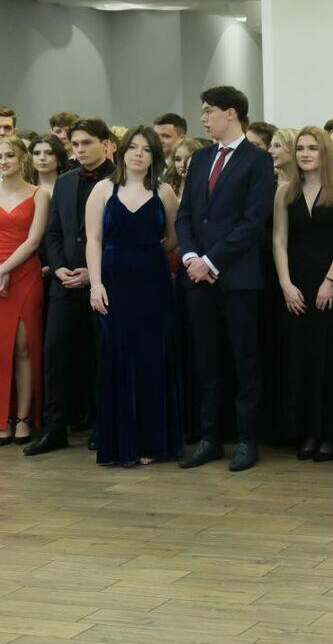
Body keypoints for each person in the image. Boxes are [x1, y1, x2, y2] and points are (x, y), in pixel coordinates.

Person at [175, 86, 277, 472]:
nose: (203, 118)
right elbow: (186, 214)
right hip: (197, 278)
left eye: (209, 111)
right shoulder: (201, 157)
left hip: (237, 278)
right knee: (207, 360)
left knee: (245, 360)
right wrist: (189, 256)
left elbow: (253, 221)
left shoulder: (258, 160)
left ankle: (247, 439)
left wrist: (211, 261)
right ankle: (209, 437)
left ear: (231, 113)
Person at [85, 126, 181, 467]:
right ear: (122, 151)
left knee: (153, 356)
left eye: (146, 149)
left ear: (155, 156)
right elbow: (93, 240)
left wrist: (148, 254)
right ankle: (120, 442)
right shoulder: (102, 189)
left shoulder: (164, 191)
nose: (139, 154)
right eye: (133, 147)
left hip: (154, 283)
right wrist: (96, 284)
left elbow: (174, 238)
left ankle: (151, 442)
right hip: (113, 281)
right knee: (117, 356)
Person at [24, 118, 114, 456]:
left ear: (106, 143)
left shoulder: (119, 180)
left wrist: (95, 273)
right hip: (65, 283)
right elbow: (54, 231)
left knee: (102, 355)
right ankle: (54, 428)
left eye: (87, 143)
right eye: (75, 144)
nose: (80, 150)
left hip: (104, 283)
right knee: (56, 353)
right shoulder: (64, 181)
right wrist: (59, 266)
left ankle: (103, 425)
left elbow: (122, 235)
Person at [273, 127, 333, 462]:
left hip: (331, 281)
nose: (305, 154)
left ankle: (330, 433)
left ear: (324, 152)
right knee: (300, 357)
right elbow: (279, 240)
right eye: (301, 148)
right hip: (296, 284)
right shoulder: (285, 190)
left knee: (327, 356)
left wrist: (331, 279)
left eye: (312, 148)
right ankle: (307, 431)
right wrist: (285, 283)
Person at [0, 138, 49, 446]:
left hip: (25, 273)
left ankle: (23, 417)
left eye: (9, 155)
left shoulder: (39, 193)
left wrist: (3, 269)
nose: (3, 161)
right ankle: (2, 417)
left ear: (22, 159)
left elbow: (33, 242)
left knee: (22, 347)